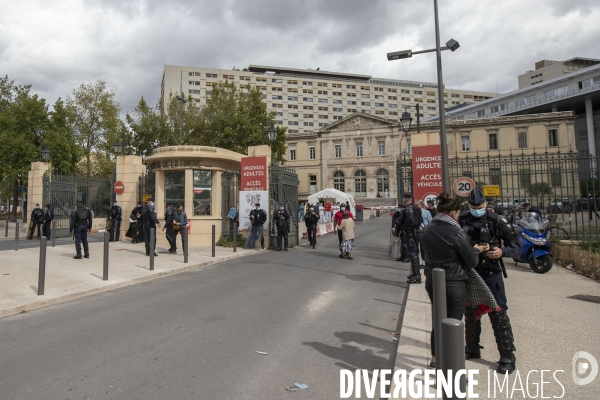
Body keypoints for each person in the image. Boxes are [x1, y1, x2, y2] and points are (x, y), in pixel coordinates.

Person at [420, 192, 489, 369]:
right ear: (454, 213)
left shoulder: (427, 229)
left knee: (438, 319)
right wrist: (476, 250)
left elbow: (423, 255)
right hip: (454, 282)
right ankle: (453, 366)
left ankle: (435, 359)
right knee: (454, 323)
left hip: (432, 281)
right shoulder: (456, 232)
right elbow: (471, 261)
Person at [458, 188, 521, 374]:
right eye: (473, 206)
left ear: (485, 203)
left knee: (498, 312)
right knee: (470, 311)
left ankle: (507, 356)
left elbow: (516, 246)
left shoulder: (498, 220)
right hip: (471, 271)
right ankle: (471, 348)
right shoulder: (462, 220)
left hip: (491, 272)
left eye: (479, 205)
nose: (477, 208)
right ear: (468, 205)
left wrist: (502, 252)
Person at [395, 193, 423, 284]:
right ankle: (415, 273)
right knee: (413, 254)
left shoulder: (409, 208)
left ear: (405, 199)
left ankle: (416, 276)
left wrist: (404, 228)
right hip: (414, 232)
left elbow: (410, 219)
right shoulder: (415, 208)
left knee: (413, 254)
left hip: (411, 233)